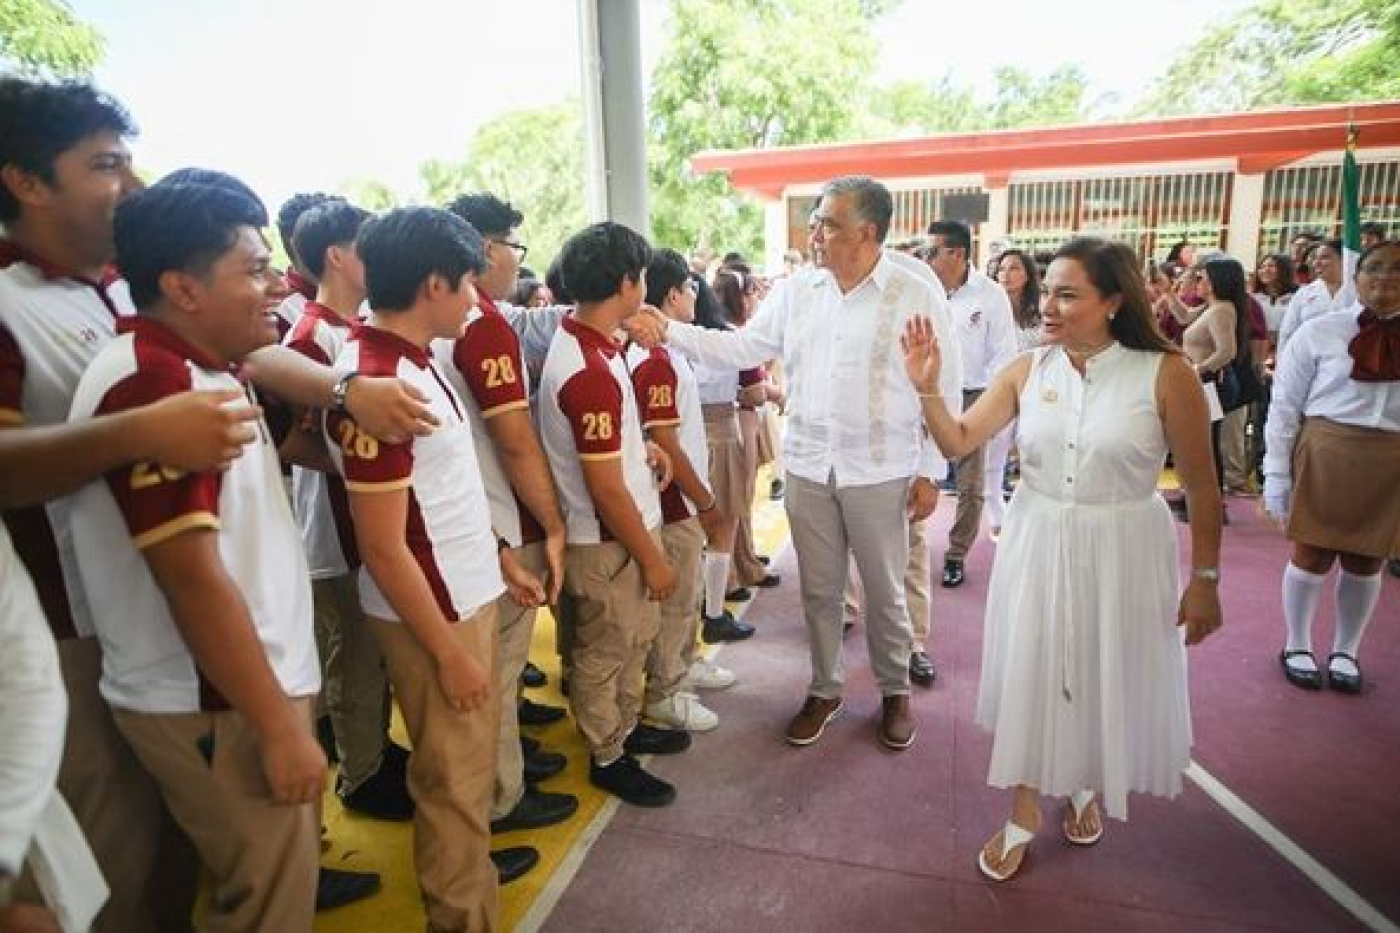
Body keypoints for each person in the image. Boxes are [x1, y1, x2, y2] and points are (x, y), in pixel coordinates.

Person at [902, 237, 1222, 882]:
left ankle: (1084, 782)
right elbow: (960, 438)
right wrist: (929, 389)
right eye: (1047, 290)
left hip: (1125, 545)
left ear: (1112, 301)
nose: (1047, 304)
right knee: (1037, 666)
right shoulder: (1028, 369)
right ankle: (1023, 807)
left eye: (1067, 293)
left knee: (1103, 665)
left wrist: (1206, 579)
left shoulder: (1166, 372)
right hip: (1039, 535)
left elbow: (1203, 483)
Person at [65, 178, 327, 931]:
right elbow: (191, 579)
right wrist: (276, 724)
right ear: (182, 286)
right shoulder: (156, 381)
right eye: (252, 268)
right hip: (221, 704)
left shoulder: (209, 366)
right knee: (268, 907)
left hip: (237, 692)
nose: (276, 282)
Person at [626, 176, 960, 752]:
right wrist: (670, 332)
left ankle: (893, 689)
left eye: (828, 223)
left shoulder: (913, 289)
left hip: (881, 467)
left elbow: (942, 380)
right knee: (821, 590)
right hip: (809, 464)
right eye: (816, 221)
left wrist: (930, 468)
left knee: (885, 590)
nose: (815, 233)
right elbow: (743, 349)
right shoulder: (798, 291)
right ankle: (825, 688)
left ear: (867, 232)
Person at [328, 206, 546, 928]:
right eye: (467, 285)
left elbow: (445, 495)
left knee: (467, 776)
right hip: (435, 613)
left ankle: (472, 898)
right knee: (453, 785)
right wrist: (449, 652)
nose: (477, 300)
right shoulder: (383, 381)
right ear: (432, 284)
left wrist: (498, 556)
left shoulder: (419, 362)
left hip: (465, 588)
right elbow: (385, 545)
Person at [436, 192, 577, 847]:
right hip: (500, 517)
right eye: (515, 248)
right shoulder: (478, 323)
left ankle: (508, 768)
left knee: (501, 666)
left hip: (475, 518)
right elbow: (514, 438)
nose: (519, 262)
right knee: (495, 668)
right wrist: (551, 523)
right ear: (487, 249)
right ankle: (502, 795)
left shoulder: (448, 318)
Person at [538, 221, 689, 806]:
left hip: (621, 528)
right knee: (606, 651)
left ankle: (625, 727)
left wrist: (640, 446)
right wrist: (652, 558)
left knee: (630, 641)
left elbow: (605, 453)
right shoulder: (589, 370)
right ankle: (608, 752)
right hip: (607, 539)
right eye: (643, 277)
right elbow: (604, 488)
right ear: (628, 283)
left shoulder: (595, 345)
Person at [1265, 240, 1400, 695]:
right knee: (1312, 552)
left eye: (1397, 268)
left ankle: (1347, 649)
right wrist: (1276, 474)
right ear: (1356, 277)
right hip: (1327, 450)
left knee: (1368, 558)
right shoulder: (1320, 331)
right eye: (1374, 267)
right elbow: (1284, 406)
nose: (1385, 277)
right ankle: (1297, 642)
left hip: (1390, 459)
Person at [629, 248, 737, 732]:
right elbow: (665, 440)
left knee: (687, 593)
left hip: (683, 496)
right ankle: (666, 691)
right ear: (672, 295)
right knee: (675, 600)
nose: (696, 294)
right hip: (674, 500)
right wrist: (706, 501)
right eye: (690, 287)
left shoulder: (668, 353)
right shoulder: (653, 359)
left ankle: (685, 661)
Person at [925, 219, 1017, 588]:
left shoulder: (989, 295)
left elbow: (1003, 355)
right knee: (917, 472)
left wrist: (989, 407)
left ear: (958, 254)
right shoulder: (924, 290)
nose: (927, 259)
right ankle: (909, 550)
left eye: (933, 252)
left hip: (973, 395)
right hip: (929, 393)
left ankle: (956, 554)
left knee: (971, 483)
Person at [985, 248, 1044, 538]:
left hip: (1038, 389)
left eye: (1013, 268)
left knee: (1034, 453)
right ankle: (996, 513)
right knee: (995, 458)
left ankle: (1029, 512)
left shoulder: (1041, 309)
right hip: (1001, 390)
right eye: (1001, 269)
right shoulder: (989, 307)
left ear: (1028, 275)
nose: (1005, 275)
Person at [1278, 239, 1354, 349]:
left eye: (1324, 257)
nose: (1316, 263)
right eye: (1315, 258)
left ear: (1344, 259)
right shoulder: (1304, 293)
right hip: (1308, 359)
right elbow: (1287, 333)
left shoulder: (1360, 291)